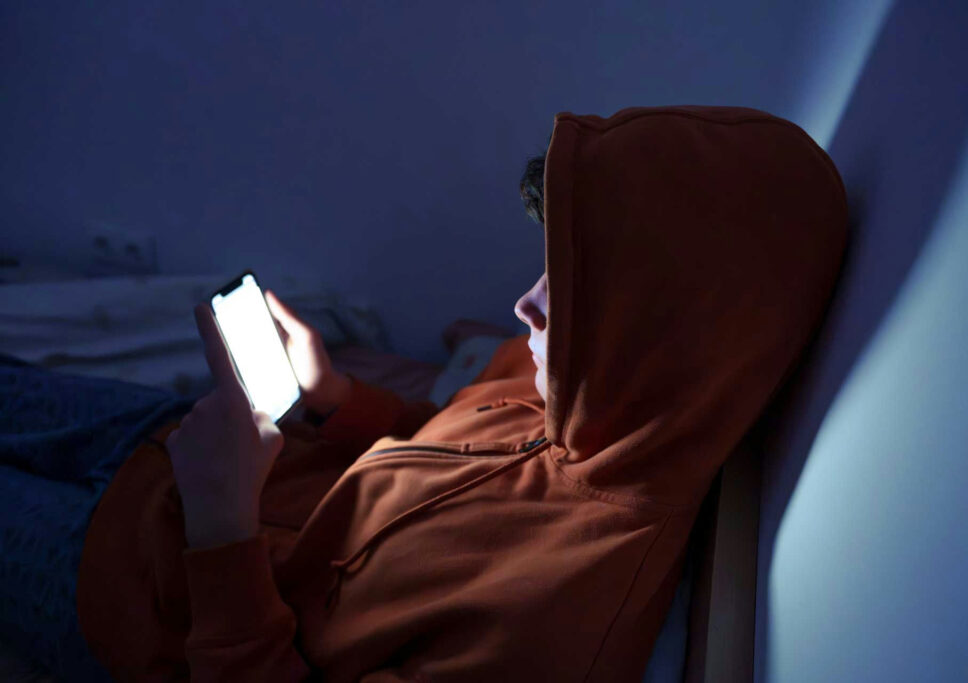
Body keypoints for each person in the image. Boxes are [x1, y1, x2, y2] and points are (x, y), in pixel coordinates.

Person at [0, 105, 848, 682]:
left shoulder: (556, 625)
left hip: (123, 592)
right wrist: (335, 394)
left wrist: (223, 527)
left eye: (574, 285)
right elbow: (436, 442)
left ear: (670, 326)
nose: (527, 303)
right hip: (162, 450)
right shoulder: (559, 377)